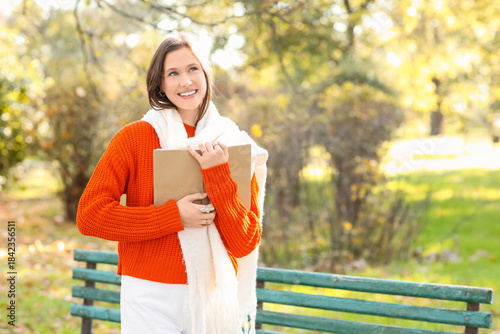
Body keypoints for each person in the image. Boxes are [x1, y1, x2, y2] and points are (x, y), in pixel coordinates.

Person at [76, 32, 268, 334]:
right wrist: (173, 216)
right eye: (173, 73)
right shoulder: (135, 138)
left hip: (211, 299)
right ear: (161, 84)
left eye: (193, 69)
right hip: (149, 295)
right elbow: (90, 216)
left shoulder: (232, 143)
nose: (185, 81)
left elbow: (244, 242)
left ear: (206, 74)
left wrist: (217, 174)